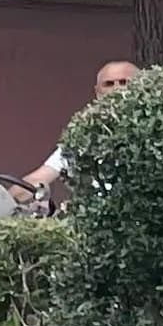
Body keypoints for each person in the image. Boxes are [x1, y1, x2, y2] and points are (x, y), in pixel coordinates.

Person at [20, 58, 139, 211]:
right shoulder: (84, 137)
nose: (116, 89)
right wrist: (5, 198)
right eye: (109, 84)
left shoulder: (159, 132)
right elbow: (40, 177)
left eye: (124, 82)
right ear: (97, 92)